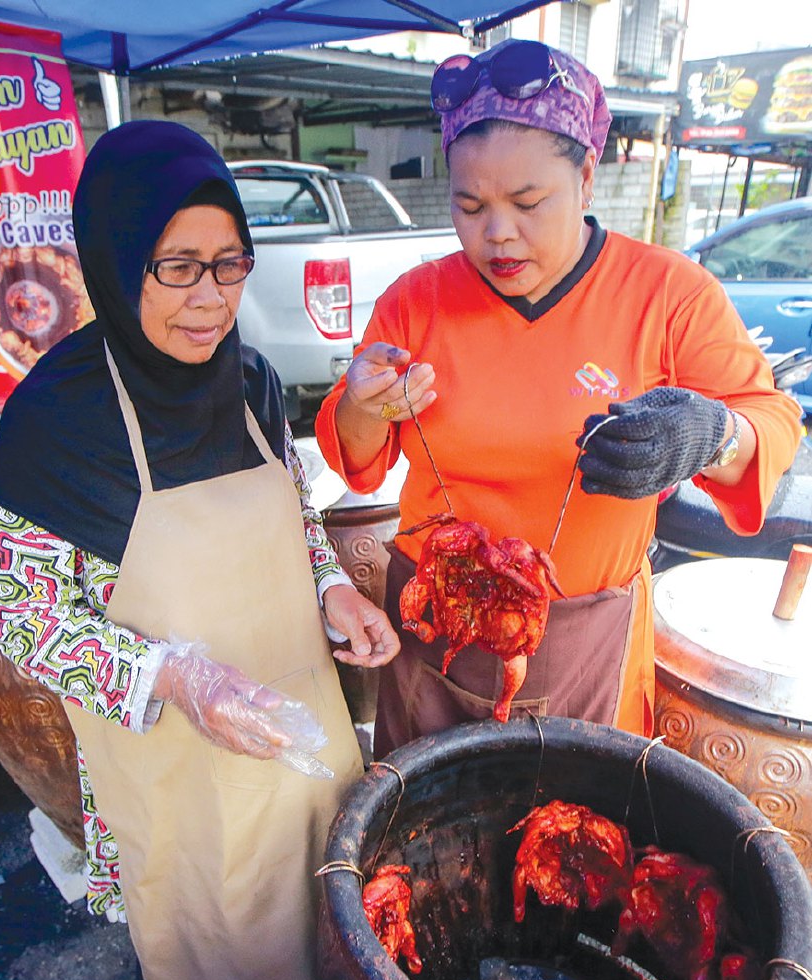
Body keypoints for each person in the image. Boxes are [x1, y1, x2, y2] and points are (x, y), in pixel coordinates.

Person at [0, 120, 399, 980]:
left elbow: (294, 515)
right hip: (185, 781)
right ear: (114, 258)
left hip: (305, 741)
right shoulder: (56, 422)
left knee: (340, 947)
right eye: (177, 266)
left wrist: (333, 589)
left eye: (229, 263)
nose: (209, 299)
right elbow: (21, 614)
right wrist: (176, 675)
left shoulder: (246, 379)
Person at [315, 39, 802, 759]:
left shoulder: (667, 295)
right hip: (433, 625)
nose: (496, 232)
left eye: (527, 202)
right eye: (469, 205)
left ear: (584, 177)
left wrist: (706, 434)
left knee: (575, 839)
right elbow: (351, 458)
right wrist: (362, 404)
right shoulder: (418, 301)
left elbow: (772, 426)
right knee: (422, 834)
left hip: (586, 636)